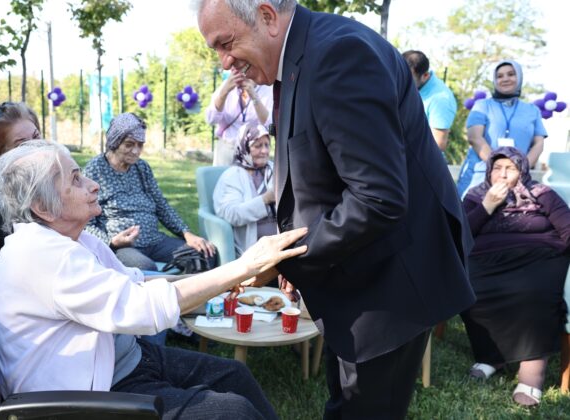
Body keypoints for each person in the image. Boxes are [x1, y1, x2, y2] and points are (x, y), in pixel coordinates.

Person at [196, 1, 476, 418]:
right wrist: (299, 255)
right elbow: (320, 171)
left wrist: (285, 260)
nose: (224, 62)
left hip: (392, 285)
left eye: (226, 43)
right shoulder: (300, 55)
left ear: (268, 17)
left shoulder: (338, 56)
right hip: (357, 273)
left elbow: (376, 197)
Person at [0, 139, 308, 419]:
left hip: (124, 361)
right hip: (89, 395)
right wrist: (244, 266)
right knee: (231, 412)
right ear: (43, 206)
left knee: (233, 374)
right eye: (76, 179)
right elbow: (141, 308)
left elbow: (136, 282)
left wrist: (220, 281)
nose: (92, 184)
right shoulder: (45, 256)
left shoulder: (76, 240)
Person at [460, 147, 569, 407]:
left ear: (522, 170)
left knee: (533, 293)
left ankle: (532, 372)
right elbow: (461, 233)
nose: (503, 174)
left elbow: (566, 225)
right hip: (487, 259)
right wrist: (487, 205)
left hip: (539, 255)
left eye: (510, 168)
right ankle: (491, 355)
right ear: (488, 171)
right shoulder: (476, 196)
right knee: (470, 291)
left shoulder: (542, 193)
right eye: (497, 167)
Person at [84, 112, 216, 271]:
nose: (136, 151)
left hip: (154, 240)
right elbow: (86, 222)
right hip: (122, 247)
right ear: (114, 142)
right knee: (145, 267)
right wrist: (111, 242)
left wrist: (187, 234)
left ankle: (183, 290)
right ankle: (169, 287)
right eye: (129, 144)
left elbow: (161, 206)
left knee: (204, 254)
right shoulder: (94, 171)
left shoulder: (142, 167)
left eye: (140, 145)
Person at [456, 60, 547, 198]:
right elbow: (474, 137)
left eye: (511, 74)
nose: (505, 79)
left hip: (516, 180)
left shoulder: (532, 110)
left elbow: (539, 143)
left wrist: (519, 170)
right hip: (480, 176)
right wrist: (498, 169)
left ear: (519, 77)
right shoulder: (482, 105)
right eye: (499, 76)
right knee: (470, 217)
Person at [213, 123, 276, 256]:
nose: (264, 151)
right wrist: (265, 199)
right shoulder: (233, 176)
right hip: (252, 250)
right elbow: (232, 214)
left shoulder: (276, 169)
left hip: (281, 243)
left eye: (267, 145)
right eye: (258, 146)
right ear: (245, 146)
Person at [206, 66, 273, 166]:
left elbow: (270, 124)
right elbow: (211, 119)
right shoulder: (227, 86)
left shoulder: (267, 89)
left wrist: (253, 95)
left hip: (254, 150)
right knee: (224, 180)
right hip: (227, 148)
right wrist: (224, 92)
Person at [401, 50, 457, 153]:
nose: (401, 81)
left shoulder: (440, 99)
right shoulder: (413, 87)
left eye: (408, 78)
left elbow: (438, 144)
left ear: (425, 76)